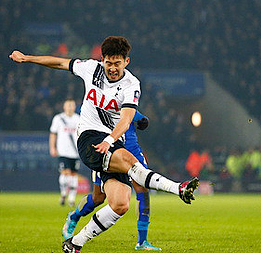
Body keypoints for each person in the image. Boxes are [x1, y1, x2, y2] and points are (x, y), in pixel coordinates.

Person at [9, 36, 199, 253]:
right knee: (130, 166)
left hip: (112, 144)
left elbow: (127, 118)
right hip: (90, 139)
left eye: (117, 63)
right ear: (102, 60)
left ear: (127, 61)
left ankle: (74, 244)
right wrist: (27, 58)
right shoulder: (91, 69)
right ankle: (179, 188)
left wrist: (111, 139)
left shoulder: (131, 84)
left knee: (120, 204)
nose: (112, 68)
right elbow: (60, 63)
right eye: (108, 63)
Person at [62, 110, 161, 251]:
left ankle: (142, 241)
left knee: (142, 189)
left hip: (132, 150)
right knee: (98, 197)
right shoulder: (103, 101)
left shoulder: (126, 96)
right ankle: (74, 216)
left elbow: (134, 115)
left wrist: (142, 119)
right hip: (109, 151)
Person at [50, 99, 81, 207]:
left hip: (75, 152)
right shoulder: (58, 119)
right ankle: (63, 194)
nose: (70, 107)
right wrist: (52, 147)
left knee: (73, 174)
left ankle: (71, 199)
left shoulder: (78, 119)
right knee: (65, 172)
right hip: (63, 151)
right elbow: (53, 134)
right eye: (68, 105)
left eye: (72, 105)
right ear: (64, 107)